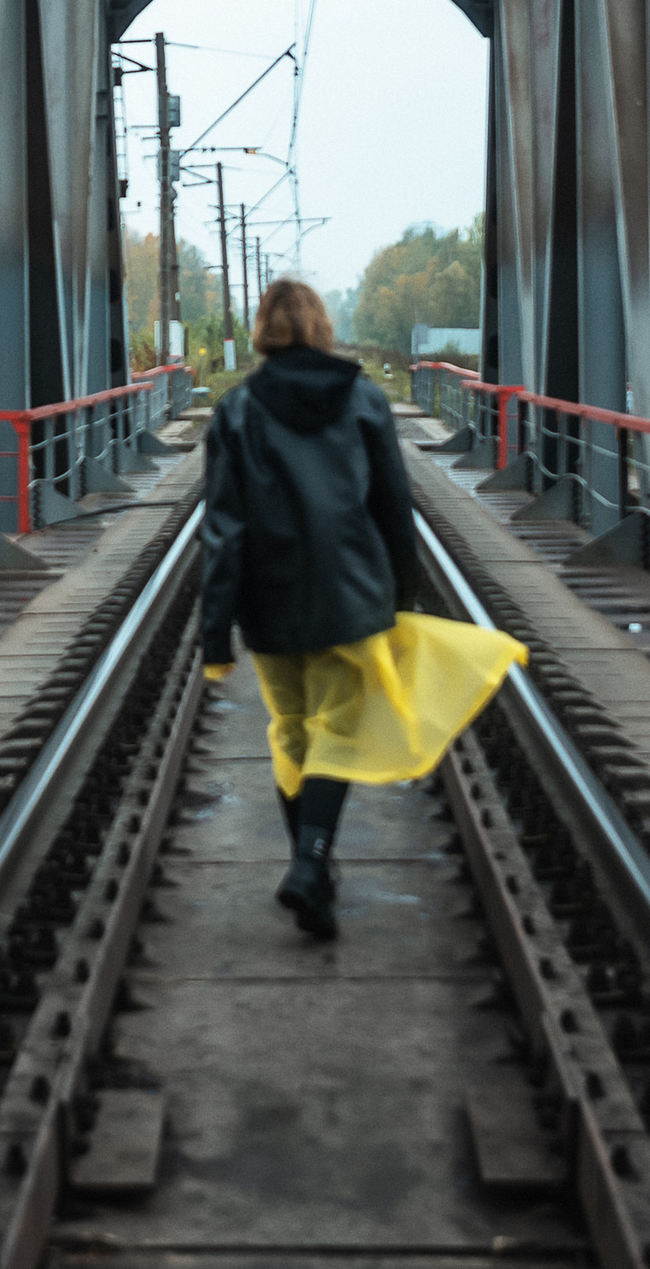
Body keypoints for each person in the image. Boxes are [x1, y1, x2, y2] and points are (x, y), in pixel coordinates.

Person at [200, 280, 525, 937]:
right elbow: (394, 506)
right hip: (349, 592)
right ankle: (311, 863)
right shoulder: (363, 398)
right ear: (321, 325)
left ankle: (310, 870)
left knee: (292, 728)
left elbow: (224, 530)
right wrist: (402, 593)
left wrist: (215, 631)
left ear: (263, 329)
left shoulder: (236, 410)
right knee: (338, 729)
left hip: (269, 597)